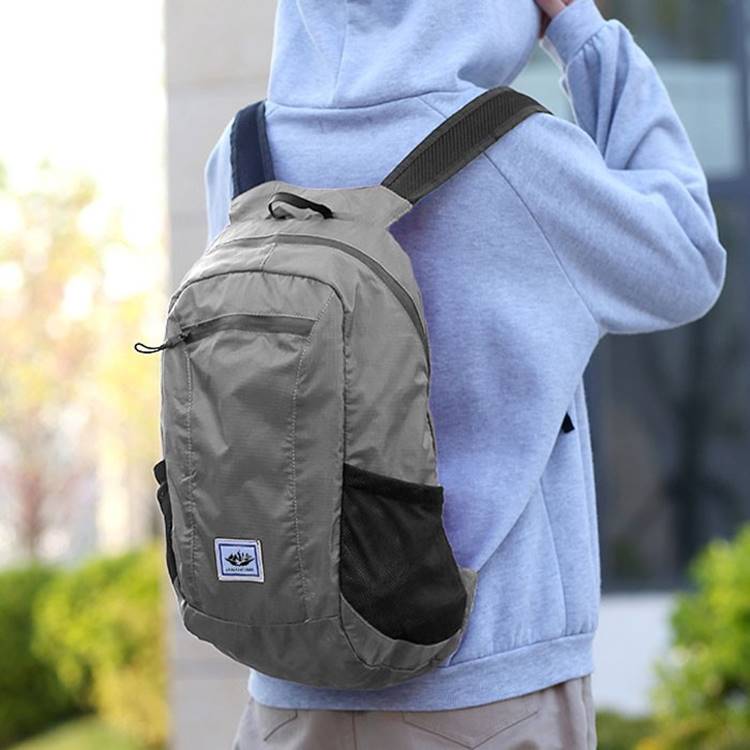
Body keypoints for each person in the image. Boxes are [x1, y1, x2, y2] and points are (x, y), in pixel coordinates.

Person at [203, 0, 727, 747]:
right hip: (482, 692)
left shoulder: (242, 154)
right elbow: (688, 257)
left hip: (285, 692)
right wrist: (584, 35)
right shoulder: (515, 154)